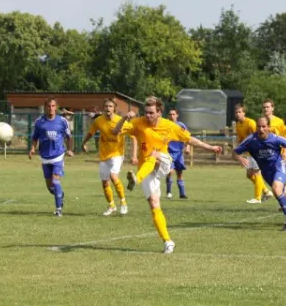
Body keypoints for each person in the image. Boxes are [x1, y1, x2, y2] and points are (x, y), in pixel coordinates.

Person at [112, 96, 222, 254]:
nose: (147, 115)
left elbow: (189, 139)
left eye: (151, 113)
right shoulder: (138, 123)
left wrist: (210, 147)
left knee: (155, 154)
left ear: (159, 112)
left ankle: (137, 179)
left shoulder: (169, 126)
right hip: (147, 168)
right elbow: (116, 131)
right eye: (146, 112)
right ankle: (168, 241)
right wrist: (124, 117)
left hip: (163, 162)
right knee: (154, 204)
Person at [233, 116, 286, 231]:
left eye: (264, 126)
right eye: (258, 126)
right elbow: (234, 152)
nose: (261, 129)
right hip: (267, 173)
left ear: (269, 127)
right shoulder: (251, 140)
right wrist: (239, 158)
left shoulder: (275, 139)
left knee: (276, 189)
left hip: (279, 168)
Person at [80, 98, 129, 216]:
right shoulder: (99, 121)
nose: (108, 108)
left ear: (114, 108)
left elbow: (133, 134)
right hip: (104, 155)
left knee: (113, 176)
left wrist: (134, 154)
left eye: (110, 106)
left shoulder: (120, 121)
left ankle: (123, 203)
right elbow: (91, 133)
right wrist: (83, 143)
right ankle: (112, 206)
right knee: (105, 183)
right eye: (106, 106)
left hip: (117, 153)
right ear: (103, 108)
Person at [28, 98, 74, 217]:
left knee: (55, 181)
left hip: (58, 155)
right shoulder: (39, 122)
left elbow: (69, 137)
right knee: (50, 187)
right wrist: (33, 149)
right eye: (49, 106)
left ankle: (58, 209)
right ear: (45, 107)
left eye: (53, 106)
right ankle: (60, 195)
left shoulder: (62, 121)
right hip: (44, 156)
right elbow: (35, 138)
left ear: (56, 107)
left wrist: (69, 150)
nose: (51, 108)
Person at [234, 103, 274, 204]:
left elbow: (258, 135)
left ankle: (257, 198)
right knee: (249, 174)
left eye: (240, 112)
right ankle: (266, 191)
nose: (238, 114)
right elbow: (241, 139)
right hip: (249, 152)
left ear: (244, 113)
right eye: (236, 112)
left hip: (257, 151)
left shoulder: (250, 122)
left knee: (257, 172)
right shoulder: (238, 124)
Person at [165, 108, 191, 199]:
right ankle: (168, 192)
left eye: (173, 114)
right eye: (170, 114)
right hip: (169, 153)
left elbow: (188, 138)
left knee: (179, 174)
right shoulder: (165, 125)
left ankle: (182, 194)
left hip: (179, 154)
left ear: (177, 115)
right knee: (170, 171)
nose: (172, 116)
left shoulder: (181, 125)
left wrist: (188, 147)